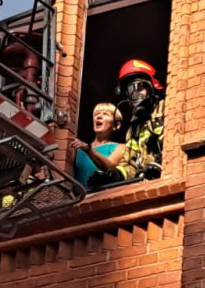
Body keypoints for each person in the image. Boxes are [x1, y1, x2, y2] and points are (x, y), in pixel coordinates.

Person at [87, 59, 166, 189]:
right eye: (130, 91)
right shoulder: (134, 128)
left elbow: (174, 143)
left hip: (164, 180)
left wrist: (158, 165)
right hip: (145, 186)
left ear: (152, 86)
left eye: (139, 87)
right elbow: (130, 164)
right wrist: (114, 175)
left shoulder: (166, 109)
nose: (135, 94)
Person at [70, 103, 126, 190]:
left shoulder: (121, 147)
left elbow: (110, 167)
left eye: (105, 114)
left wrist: (89, 150)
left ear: (116, 125)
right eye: (96, 114)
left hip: (101, 199)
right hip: (78, 201)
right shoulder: (78, 150)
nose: (99, 116)